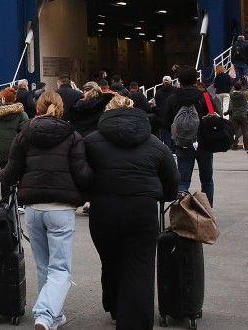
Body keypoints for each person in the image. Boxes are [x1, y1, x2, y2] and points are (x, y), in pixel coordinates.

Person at [0, 91, 93, 330]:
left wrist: (4, 177)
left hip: (33, 208)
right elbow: (82, 174)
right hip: (61, 208)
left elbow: (10, 172)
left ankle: (54, 315)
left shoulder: (25, 134)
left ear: (37, 109)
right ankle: (44, 314)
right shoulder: (72, 136)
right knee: (60, 267)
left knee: (44, 266)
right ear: (60, 109)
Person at [83, 94, 178, 328]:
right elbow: (172, 179)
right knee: (139, 264)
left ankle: (114, 304)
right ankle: (133, 320)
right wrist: (165, 195)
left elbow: (82, 174)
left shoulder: (91, 141)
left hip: (104, 210)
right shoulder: (155, 143)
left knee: (111, 258)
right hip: (142, 209)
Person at [171, 68, 217, 204]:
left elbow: (167, 119)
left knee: (183, 179)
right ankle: (207, 212)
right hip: (204, 142)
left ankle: (181, 212)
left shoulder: (173, 98)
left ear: (179, 81)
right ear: (195, 81)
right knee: (207, 180)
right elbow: (213, 115)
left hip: (182, 142)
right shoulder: (205, 96)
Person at [0, 87, 29, 175]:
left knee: (5, 174)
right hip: (18, 149)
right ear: (15, 98)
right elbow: (26, 133)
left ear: (3, 99)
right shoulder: (21, 114)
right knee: (19, 173)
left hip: (2, 149)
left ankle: (6, 188)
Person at [227, 80, 248, 150]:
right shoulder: (243, 94)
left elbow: (234, 89)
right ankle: (247, 146)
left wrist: (239, 82)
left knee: (235, 132)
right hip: (243, 115)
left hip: (234, 115)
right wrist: (246, 81)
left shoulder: (231, 95)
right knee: (245, 132)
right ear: (241, 88)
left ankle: (234, 145)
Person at [154, 75, 177, 143]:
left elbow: (156, 104)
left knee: (165, 137)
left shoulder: (158, 92)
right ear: (171, 82)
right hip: (173, 117)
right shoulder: (176, 91)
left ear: (162, 82)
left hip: (162, 117)